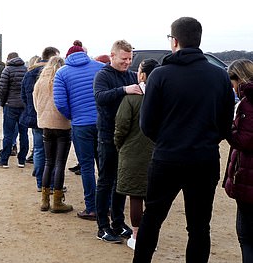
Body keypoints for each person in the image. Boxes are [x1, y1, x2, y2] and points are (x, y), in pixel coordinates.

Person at [134, 17, 234, 263]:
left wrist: (167, 140)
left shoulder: (159, 75)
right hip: (204, 158)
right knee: (199, 226)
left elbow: (147, 124)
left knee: (153, 219)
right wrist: (206, 139)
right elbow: (225, 122)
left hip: (167, 157)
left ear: (174, 41)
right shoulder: (219, 76)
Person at [93, 39, 141, 243]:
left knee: (121, 182)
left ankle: (118, 222)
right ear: (112, 56)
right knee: (105, 181)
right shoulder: (102, 75)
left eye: (130, 58)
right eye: (124, 58)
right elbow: (100, 97)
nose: (127, 62)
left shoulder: (131, 75)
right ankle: (102, 226)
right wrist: (124, 90)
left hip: (127, 137)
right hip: (107, 135)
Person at [53, 41, 103, 220]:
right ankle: (108, 205)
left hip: (81, 125)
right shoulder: (100, 67)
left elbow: (60, 103)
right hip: (101, 122)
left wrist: (73, 115)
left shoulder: (62, 73)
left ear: (68, 57)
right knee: (105, 166)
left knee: (87, 167)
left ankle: (91, 208)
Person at [115, 58, 159, 250]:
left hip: (132, 152)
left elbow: (121, 125)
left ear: (142, 75)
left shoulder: (132, 97)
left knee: (135, 196)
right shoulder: (163, 96)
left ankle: (137, 235)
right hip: (159, 153)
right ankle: (151, 236)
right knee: (154, 198)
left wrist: (119, 145)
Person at [34, 55, 73, 213]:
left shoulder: (40, 82)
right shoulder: (63, 80)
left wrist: (42, 115)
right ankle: (57, 201)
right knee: (59, 163)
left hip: (46, 124)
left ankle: (44, 200)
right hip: (62, 124)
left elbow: (36, 102)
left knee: (48, 162)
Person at [224, 59, 253, 262]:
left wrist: (225, 129)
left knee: (246, 236)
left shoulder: (248, 102)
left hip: (248, 175)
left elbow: (245, 140)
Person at [22, 47, 60, 191]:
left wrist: (32, 109)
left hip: (35, 116)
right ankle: (52, 183)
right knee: (54, 153)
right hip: (53, 118)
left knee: (39, 149)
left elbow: (24, 95)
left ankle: (40, 183)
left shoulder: (30, 72)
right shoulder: (56, 72)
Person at [0, 52, 27, 168]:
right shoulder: (26, 70)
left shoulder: (7, 70)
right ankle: (22, 160)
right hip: (23, 106)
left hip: (10, 105)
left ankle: (4, 160)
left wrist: (2, 103)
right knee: (24, 134)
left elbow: (2, 89)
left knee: (8, 134)